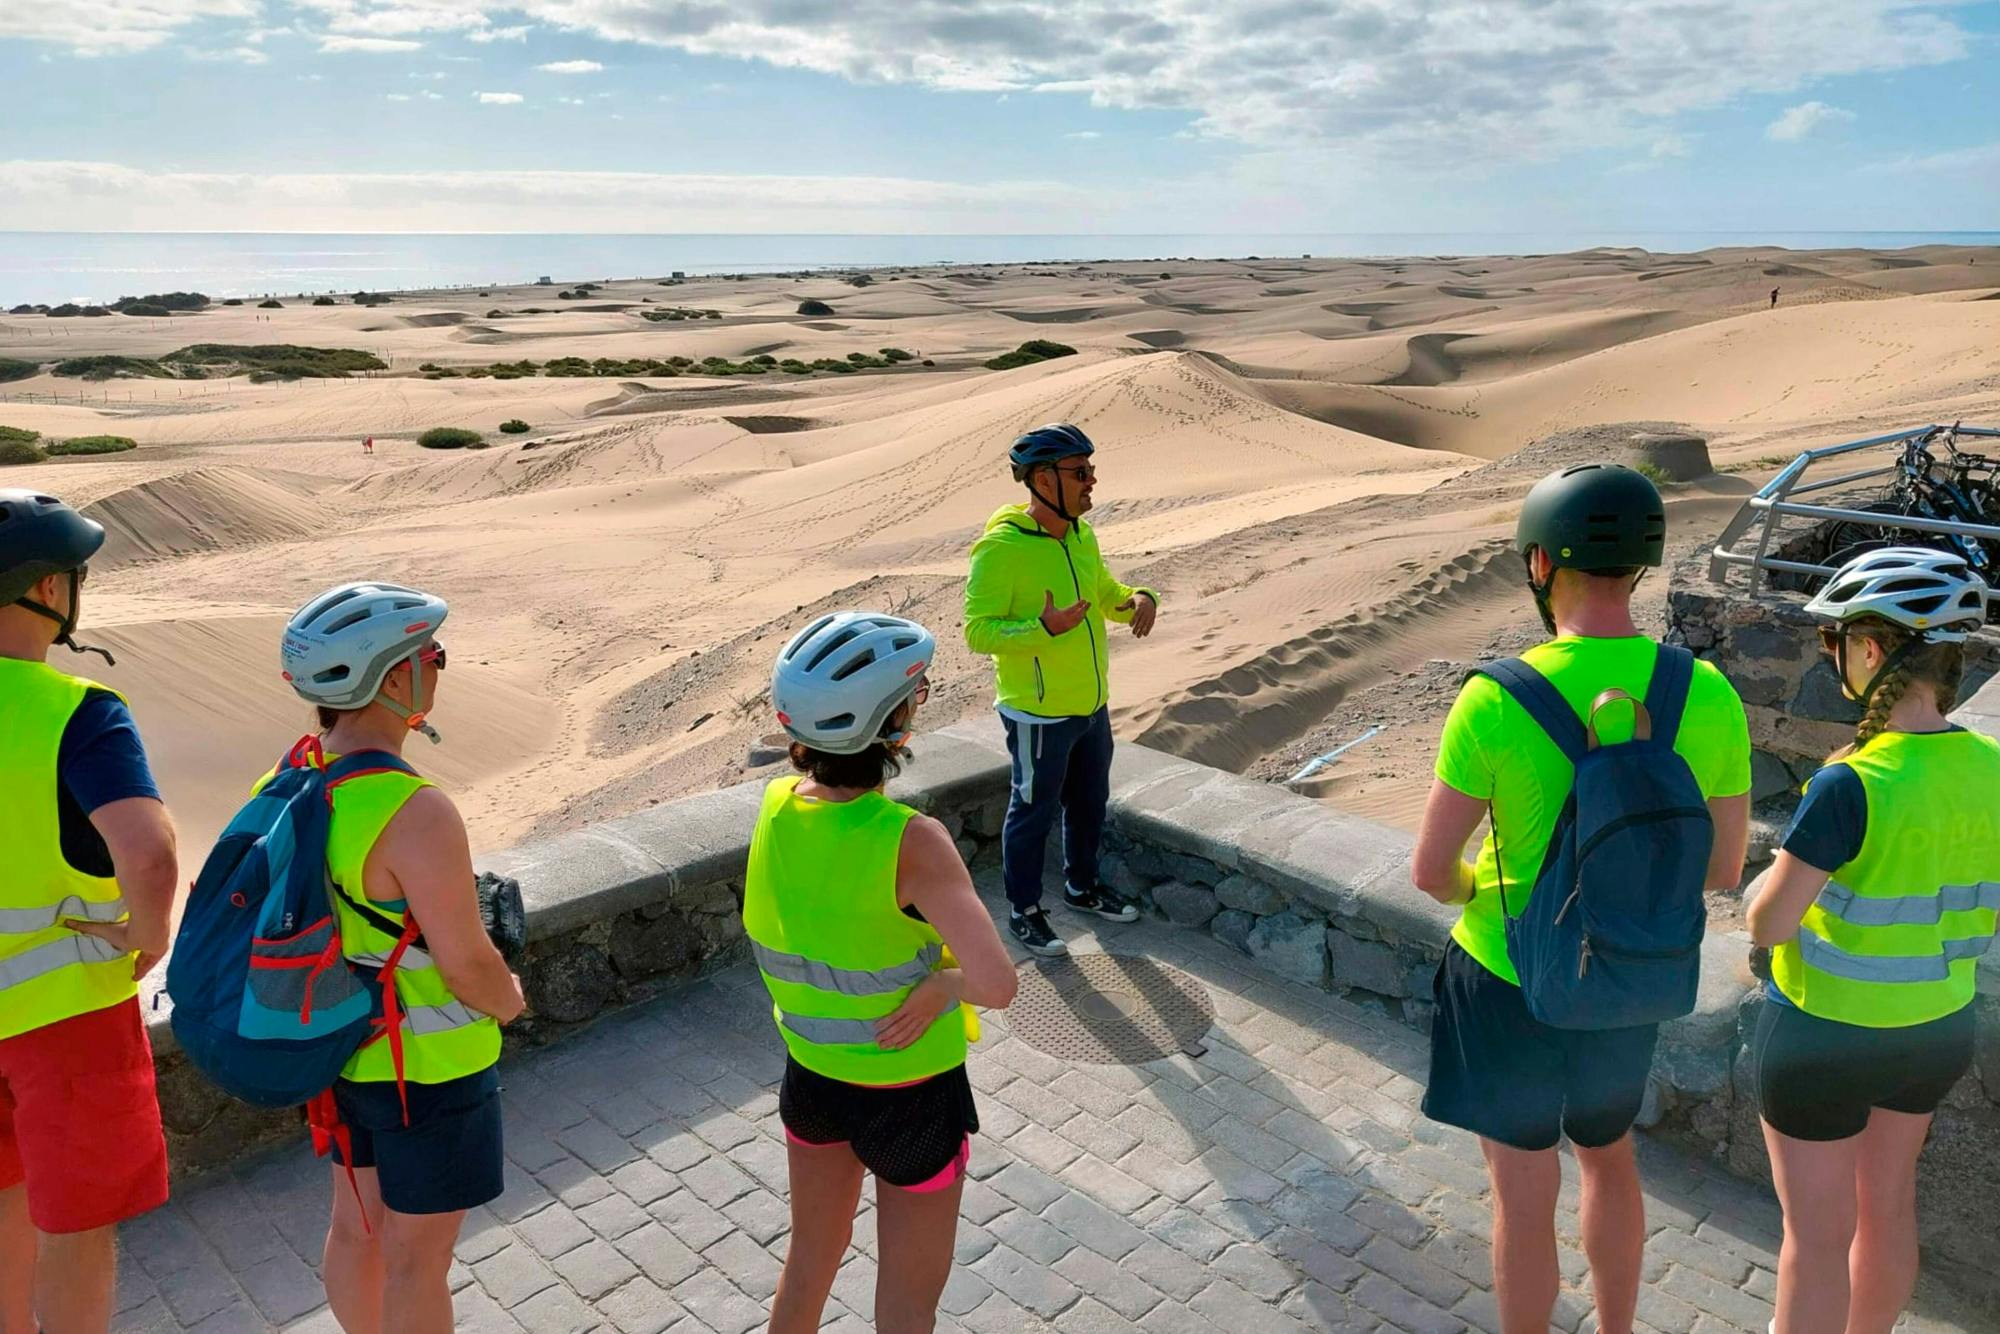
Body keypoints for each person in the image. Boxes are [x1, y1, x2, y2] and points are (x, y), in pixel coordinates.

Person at [1410, 463, 1751, 1334]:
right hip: (1629, 975)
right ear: (1641, 565)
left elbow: (1430, 870)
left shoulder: (1493, 698)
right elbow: (1721, 870)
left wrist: (1477, 886)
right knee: (1609, 1159)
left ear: (1538, 563)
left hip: (1508, 973)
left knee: (1523, 1195)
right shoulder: (1705, 693)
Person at [1746, 547, 1999, 1334]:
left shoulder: (1851, 781)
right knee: (1887, 1207)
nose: (1833, 655)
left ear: (1872, 648)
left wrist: (1758, 892)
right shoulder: (1991, 766)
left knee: (1815, 1240)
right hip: (1937, 1025)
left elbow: (1771, 922)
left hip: (1825, 1032)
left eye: (1837, 640)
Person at [751, 612, 1016, 1334]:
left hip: (812, 1080)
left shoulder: (774, 808)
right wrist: (943, 986)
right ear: (892, 727)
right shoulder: (913, 842)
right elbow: (998, 985)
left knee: (808, 1263)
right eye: (917, 695)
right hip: (910, 1099)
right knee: (905, 1301)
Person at [277, 582, 525, 1334]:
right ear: (393, 679)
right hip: (429, 1073)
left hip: (341, 1057)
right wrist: (512, 1000)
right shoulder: (414, 810)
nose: (439, 669)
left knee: (356, 1230)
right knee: (419, 1259)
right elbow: (467, 965)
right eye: (433, 656)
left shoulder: (290, 778)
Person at [0, 489, 179, 1334]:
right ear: (44, 592)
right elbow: (148, 854)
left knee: (4, 1201)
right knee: (74, 1227)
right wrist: (149, 935)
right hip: (67, 1019)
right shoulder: (78, 713)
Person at [963, 423, 1160, 956]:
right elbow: (977, 631)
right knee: (1031, 811)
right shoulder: (1000, 549)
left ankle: (1081, 887)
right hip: (1037, 714)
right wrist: (1041, 630)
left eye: (1091, 470)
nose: (1092, 481)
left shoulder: (1080, 535)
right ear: (1042, 480)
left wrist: (1139, 598)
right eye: (1080, 472)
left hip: (1091, 706)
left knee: (1090, 803)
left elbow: (1104, 594)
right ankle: (1023, 911)